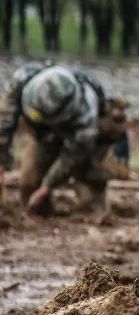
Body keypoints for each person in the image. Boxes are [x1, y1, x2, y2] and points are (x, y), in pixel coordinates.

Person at [0, 62, 129, 215]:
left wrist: (47, 186)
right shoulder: (23, 79)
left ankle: (93, 199)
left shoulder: (87, 116)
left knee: (90, 196)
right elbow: (4, 120)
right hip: (43, 135)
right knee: (30, 184)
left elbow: (72, 157)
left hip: (88, 139)